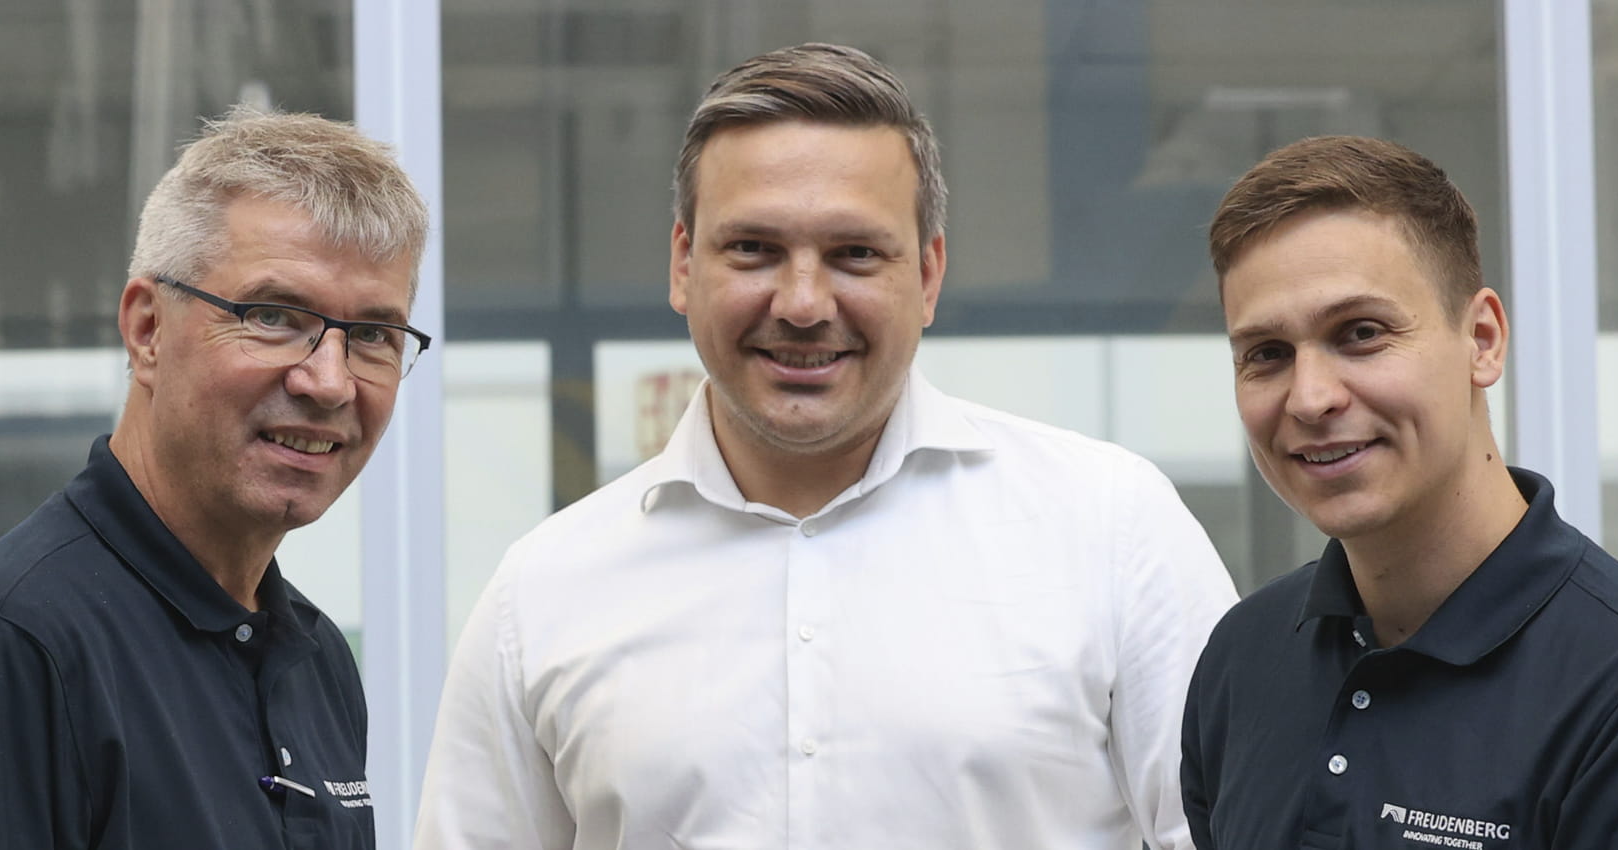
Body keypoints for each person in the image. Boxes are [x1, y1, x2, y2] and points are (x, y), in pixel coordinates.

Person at [415, 42, 1239, 850]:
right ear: (681, 265)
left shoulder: (1112, 530)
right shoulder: (546, 590)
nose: (804, 303)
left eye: (854, 254)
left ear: (927, 275)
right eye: (754, 249)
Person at [1180, 135, 1618, 849]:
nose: (1311, 397)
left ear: (1482, 339)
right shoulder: (1244, 658)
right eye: (1266, 354)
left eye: (1360, 332)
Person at [0, 106, 431, 849]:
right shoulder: (9, 648)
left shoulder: (314, 660)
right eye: (272, 316)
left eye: (373, 337)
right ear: (147, 331)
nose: (329, 381)